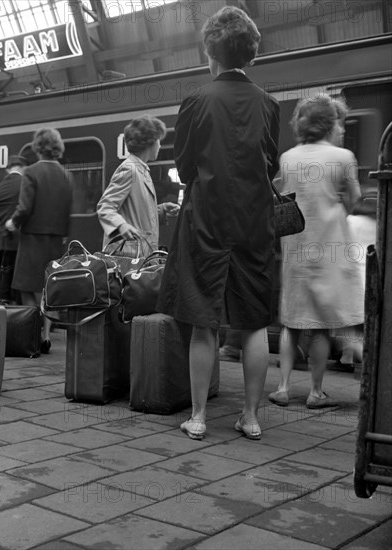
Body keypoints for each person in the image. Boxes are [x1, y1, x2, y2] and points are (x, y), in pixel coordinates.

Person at [157, 6, 280, 441]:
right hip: (254, 222)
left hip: (206, 220)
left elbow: (185, 165)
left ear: (211, 53)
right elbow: (271, 163)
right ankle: (250, 417)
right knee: (253, 324)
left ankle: (198, 416)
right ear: (251, 55)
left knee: (203, 320)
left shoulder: (196, 101)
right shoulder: (268, 104)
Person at [268, 93, 362, 409]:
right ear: (330, 123)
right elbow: (354, 198)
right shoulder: (343, 157)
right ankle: (315, 391)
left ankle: (281, 387)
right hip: (327, 247)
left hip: (295, 248)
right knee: (321, 323)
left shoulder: (288, 157)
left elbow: (282, 194)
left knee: (292, 320)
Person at [5, 128, 73, 354]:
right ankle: (45, 335)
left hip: (33, 238)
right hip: (55, 241)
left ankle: (31, 335)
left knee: (26, 288)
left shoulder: (31, 172)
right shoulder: (66, 175)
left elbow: (24, 208)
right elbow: (67, 211)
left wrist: (12, 223)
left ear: (38, 147)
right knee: (48, 290)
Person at [97, 115, 180, 251]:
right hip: (128, 256)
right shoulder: (129, 170)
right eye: (158, 140)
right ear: (149, 142)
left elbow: (135, 213)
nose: (160, 145)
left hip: (139, 252)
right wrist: (121, 226)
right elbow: (105, 207)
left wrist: (161, 209)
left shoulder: (141, 170)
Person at [334, 193, 377, 370]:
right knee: (357, 327)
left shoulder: (351, 221)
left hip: (352, 281)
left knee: (344, 328)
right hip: (371, 282)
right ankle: (346, 359)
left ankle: (367, 361)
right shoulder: (379, 226)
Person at [0, 154, 29, 301]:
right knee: (16, 284)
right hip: (16, 241)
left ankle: (0, 313)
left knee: (1, 281)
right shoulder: (24, 183)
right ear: (22, 167)